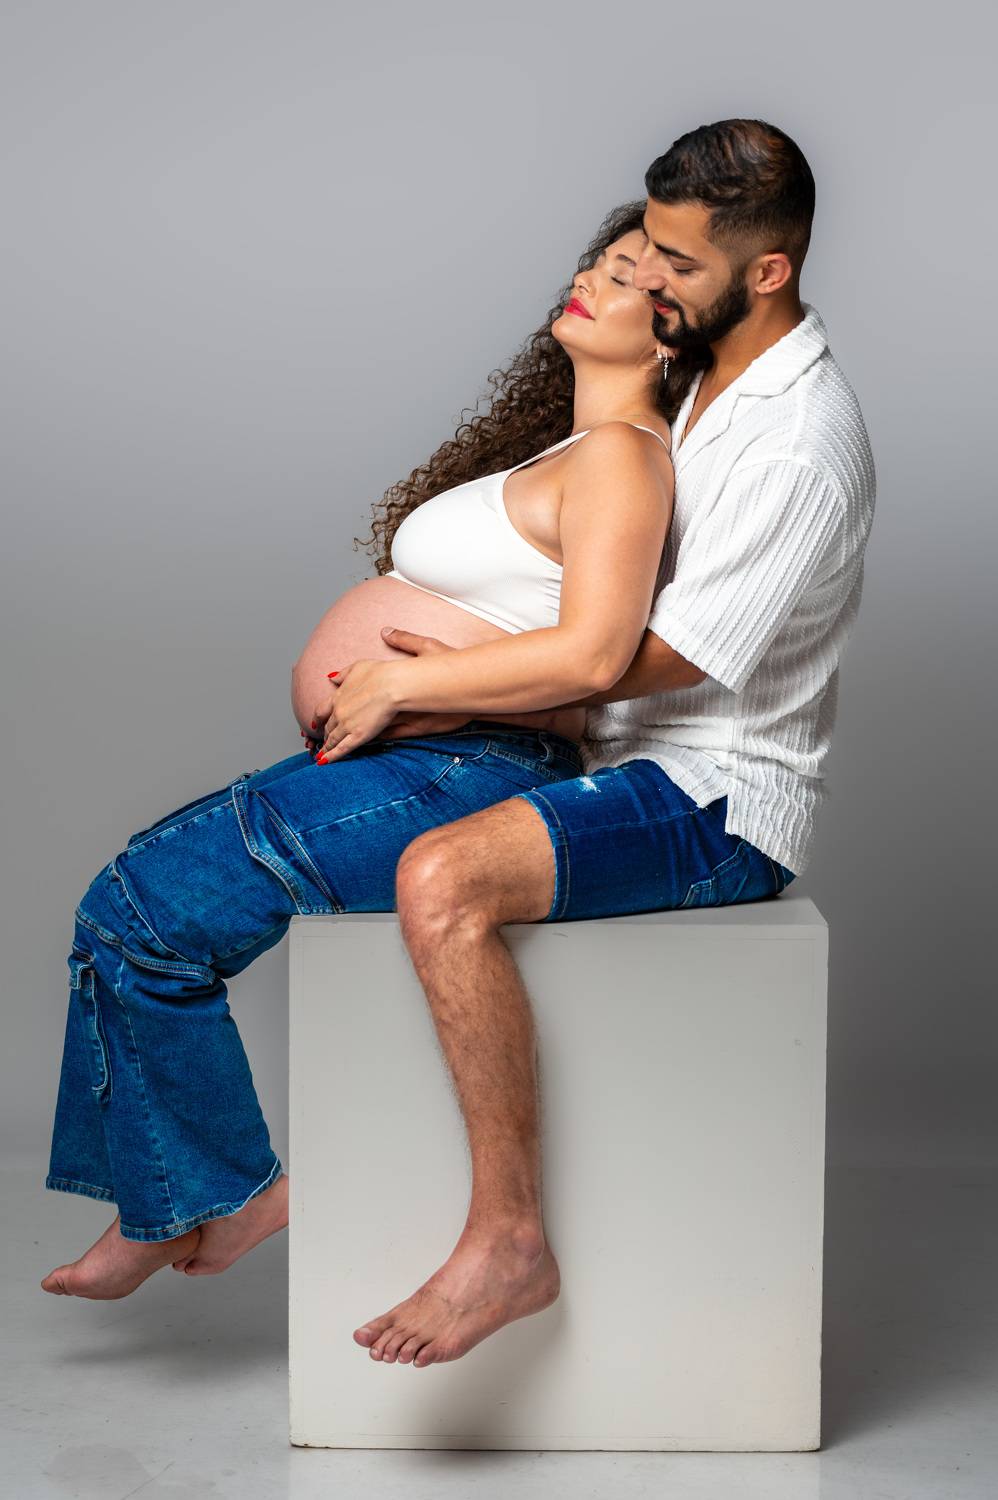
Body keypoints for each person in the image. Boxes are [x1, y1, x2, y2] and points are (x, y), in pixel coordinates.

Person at [40, 202, 684, 1304]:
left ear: (670, 335)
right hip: (430, 756)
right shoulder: (570, 452)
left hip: (472, 765)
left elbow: (596, 656)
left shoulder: (623, 456)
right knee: (129, 907)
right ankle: (182, 1200)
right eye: (600, 260)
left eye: (628, 277)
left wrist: (424, 683)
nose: (592, 278)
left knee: (141, 911)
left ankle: (207, 1199)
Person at [321, 118, 875, 1371]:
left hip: (712, 799)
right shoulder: (700, 376)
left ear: (767, 270)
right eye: (647, 248)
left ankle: (508, 1241)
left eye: (677, 262)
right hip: (612, 760)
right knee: (327, 841)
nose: (648, 278)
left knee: (441, 879)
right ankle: (272, 1181)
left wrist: (444, 685)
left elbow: (651, 656)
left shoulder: (796, 444)